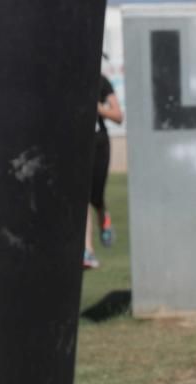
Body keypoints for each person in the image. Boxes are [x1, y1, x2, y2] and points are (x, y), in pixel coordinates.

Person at [85, 72, 123, 269]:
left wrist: (98, 108)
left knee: (95, 197)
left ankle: (104, 219)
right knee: (82, 197)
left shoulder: (101, 81)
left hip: (99, 145)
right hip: (79, 145)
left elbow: (118, 116)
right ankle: (88, 251)